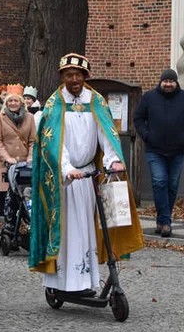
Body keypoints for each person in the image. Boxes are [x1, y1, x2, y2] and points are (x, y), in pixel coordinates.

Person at [30, 53, 144, 295]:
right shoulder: (54, 105)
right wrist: (67, 169)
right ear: (62, 77)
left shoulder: (96, 101)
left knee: (89, 229)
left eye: (78, 75)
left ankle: (86, 281)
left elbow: (107, 134)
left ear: (85, 76)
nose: (74, 79)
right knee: (69, 231)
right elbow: (53, 146)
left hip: (91, 177)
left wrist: (114, 161)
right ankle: (63, 284)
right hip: (67, 181)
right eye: (69, 75)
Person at [133, 68, 184, 237]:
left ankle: (161, 220)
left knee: (172, 186)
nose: (168, 84)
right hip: (154, 150)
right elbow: (138, 118)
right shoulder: (149, 98)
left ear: (176, 82)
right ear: (160, 82)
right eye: (166, 81)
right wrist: (147, 135)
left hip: (177, 150)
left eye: (171, 81)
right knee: (159, 182)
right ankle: (166, 223)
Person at [0, 85, 36, 221]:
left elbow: (33, 141)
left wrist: (30, 157)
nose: (13, 103)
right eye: (10, 101)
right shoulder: (0, 116)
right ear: (6, 102)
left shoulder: (30, 117)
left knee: (24, 196)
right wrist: (7, 158)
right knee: (7, 198)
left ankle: (23, 226)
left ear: (21, 102)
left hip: (24, 164)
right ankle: (9, 227)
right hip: (5, 163)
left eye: (16, 101)